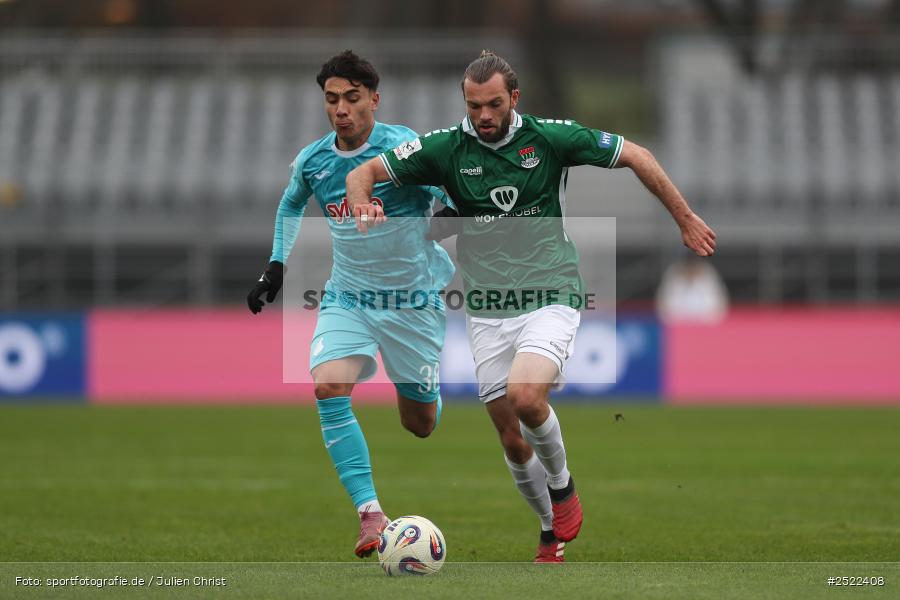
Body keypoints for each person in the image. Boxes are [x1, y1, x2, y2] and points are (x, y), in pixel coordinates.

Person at [345, 51, 717, 563]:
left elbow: (638, 155)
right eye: (474, 106)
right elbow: (362, 173)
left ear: (514, 98)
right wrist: (365, 201)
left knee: (525, 397)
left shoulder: (549, 138)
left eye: (494, 104)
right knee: (509, 436)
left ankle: (562, 488)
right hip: (486, 307)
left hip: (551, 293)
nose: (484, 116)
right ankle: (549, 530)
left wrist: (685, 217)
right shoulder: (443, 148)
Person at [246, 50, 456, 559]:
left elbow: (453, 191)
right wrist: (275, 265)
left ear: (374, 100)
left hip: (413, 301)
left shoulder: (402, 148)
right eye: (332, 99)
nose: (341, 109)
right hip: (349, 296)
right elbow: (291, 202)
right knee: (327, 384)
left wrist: (446, 216)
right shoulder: (314, 160)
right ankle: (370, 514)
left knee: (420, 424)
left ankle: (426, 392)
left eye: (352, 98)